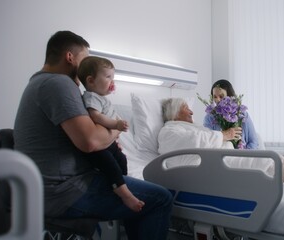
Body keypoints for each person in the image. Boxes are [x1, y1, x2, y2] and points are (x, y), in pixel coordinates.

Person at [13, 30, 172, 239]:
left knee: (135, 192)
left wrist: (108, 136)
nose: (87, 65)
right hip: (64, 191)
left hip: (45, 189)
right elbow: (91, 141)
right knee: (161, 198)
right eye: (85, 59)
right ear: (70, 57)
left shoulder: (37, 84)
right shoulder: (59, 83)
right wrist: (116, 128)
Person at [158, 98, 284, 183]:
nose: (191, 112)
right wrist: (224, 135)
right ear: (174, 113)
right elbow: (194, 141)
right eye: (186, 108)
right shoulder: (169, 132)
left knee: (270, 155)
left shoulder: (188, 128)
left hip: (220, 160)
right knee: (263, 163)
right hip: (208, 168)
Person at [77, 56, 144, 212]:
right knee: (110, 164)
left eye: (113, 78)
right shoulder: (91, 97)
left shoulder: (102, 98)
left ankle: (123, 181)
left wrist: (116, 136)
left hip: (109, 143)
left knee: (121, 159)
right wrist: (116, 125)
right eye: (108, 77)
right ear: (91, 80)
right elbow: (96, 117)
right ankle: (123, 193)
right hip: (100, 148)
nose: (112, 82)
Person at [204, 79, 260, 149]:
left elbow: (253, 142)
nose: (217, 100)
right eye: (215, 96)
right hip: (220, 156)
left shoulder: (243, 115)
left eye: (221, 96)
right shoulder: (209, 118)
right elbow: (208, 142)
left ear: (229, 96)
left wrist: (244, 156)